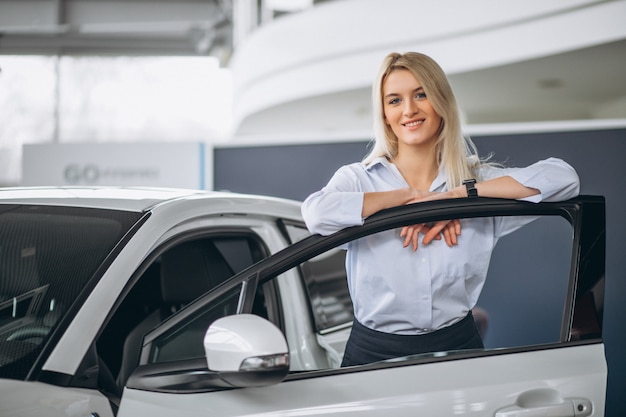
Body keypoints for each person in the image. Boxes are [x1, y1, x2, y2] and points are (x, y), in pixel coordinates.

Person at [301, 52, 580, 367]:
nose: (409, 110)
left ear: (442, 101)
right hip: (372, 354)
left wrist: (461, 197)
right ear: (384, 114)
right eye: (394, 100)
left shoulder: (479, 182)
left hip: (458, 350)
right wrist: (407, 198)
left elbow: (565, 179)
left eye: (421, 94)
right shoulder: (358, 180)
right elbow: (316, 214)